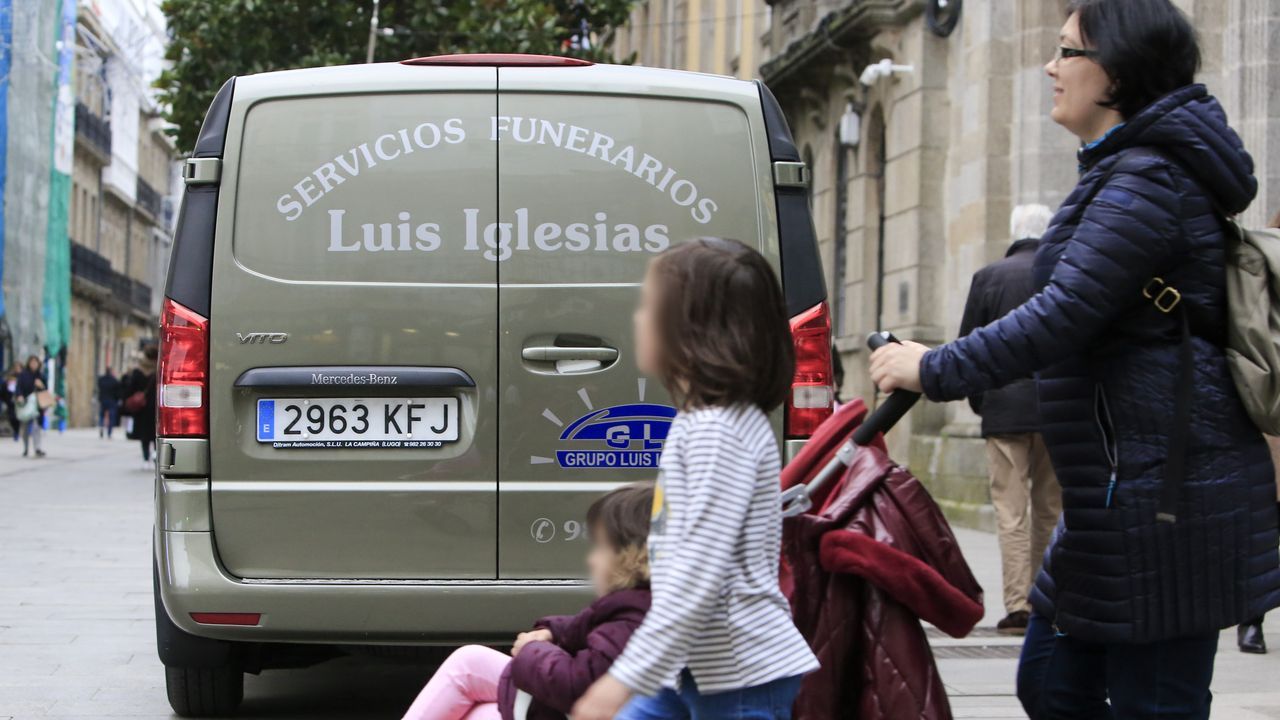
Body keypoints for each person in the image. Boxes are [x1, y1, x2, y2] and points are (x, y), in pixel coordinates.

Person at [868, 1, 1280, 717]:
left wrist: (932, 368)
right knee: (1050, 683)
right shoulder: (1126, 171)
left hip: (1166, 501)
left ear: (1116, 71)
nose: (1050, 67)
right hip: (1113, 496)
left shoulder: (1148, 180)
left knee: (1155, 705)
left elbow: (1061, 314)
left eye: (1068, 52)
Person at [573, 238, 818, 720]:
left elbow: (698, 575)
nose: (638, 318)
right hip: (693, 665)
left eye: (649, 306)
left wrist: (623, 679)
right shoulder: (706, 422)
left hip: (741, 676)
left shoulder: (717, 433)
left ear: (694, 330)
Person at [401, 482, 653, 720]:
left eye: (600, 548)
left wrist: (532, 651)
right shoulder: (637, 607)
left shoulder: (629, 621)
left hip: (560, 709)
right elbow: (584, 627)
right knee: (475, 695)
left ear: (630, 558)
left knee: (468, 667)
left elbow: (577, 686)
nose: (591, 559)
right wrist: (553, 631)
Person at [958, 203, 1062, 636]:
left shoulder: (989, 277)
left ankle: (1018, 605)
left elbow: (968, 347)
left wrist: (981, 401)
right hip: (1055, 409)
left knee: (1011, 512)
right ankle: (1046, 600)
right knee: (1050, 511)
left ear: (1014, 231)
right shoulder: (1063, 273)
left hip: (1004, 409)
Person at [1237, 208, 1280, 655]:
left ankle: (1252, 619)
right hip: (1272, 407)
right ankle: (1252, 618)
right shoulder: (1260, 258)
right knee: (1267, 520)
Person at [123, 346, 158, 467]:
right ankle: (155, 456)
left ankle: (145, 458)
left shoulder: (138, 371)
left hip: (142, 409)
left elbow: (130, 389)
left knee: (144, 435)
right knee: (155, 433)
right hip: (155, 408)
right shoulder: (159, 370)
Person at [15, 355, 46, 458]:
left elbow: (45, 390)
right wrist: (19, 396)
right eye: (32, 362)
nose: (34, 364)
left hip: (37, 406)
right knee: (25, 427)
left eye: (36, 362)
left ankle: (37, 448)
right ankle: (26, 448)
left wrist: (41, 386)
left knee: (36, 427)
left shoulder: (40, 375)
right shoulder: (23, 375)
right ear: (28, 363)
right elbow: (18, 387)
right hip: (26, 404)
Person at [97, 366, 120, 439]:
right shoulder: (114, 381)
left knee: (102, 415)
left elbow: (99, 388)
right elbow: (117, 392)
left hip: (103, 400)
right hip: (112, 400)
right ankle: (109, 432)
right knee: (111, 417)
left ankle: (101, 426)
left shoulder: (101, 380)